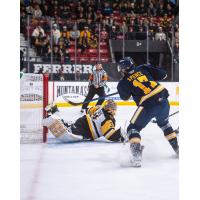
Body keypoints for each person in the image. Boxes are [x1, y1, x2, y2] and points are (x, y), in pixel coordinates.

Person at [117, 57, 179, 167]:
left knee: (132, 128)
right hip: (163, 99)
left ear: (124, 69)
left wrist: (124, 86)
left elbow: (125, 97)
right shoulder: (143, 68)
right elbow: (163, 75)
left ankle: (136, 156)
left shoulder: (123, 82)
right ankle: (178, 149)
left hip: (148, 104)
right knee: (165, 124)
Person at [43, 100, 124, 143]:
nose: (114, 109)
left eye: (114, 107)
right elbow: (109, 134)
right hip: (87, 130)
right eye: (112, 107)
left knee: (70, 126)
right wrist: (121, 135)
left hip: (83, 121)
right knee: (71, 131)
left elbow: (88, 110)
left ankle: (54, 112)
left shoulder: (100, 108)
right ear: (109, 109)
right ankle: (51, 117)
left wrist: (96, 107)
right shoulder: (109, 119)